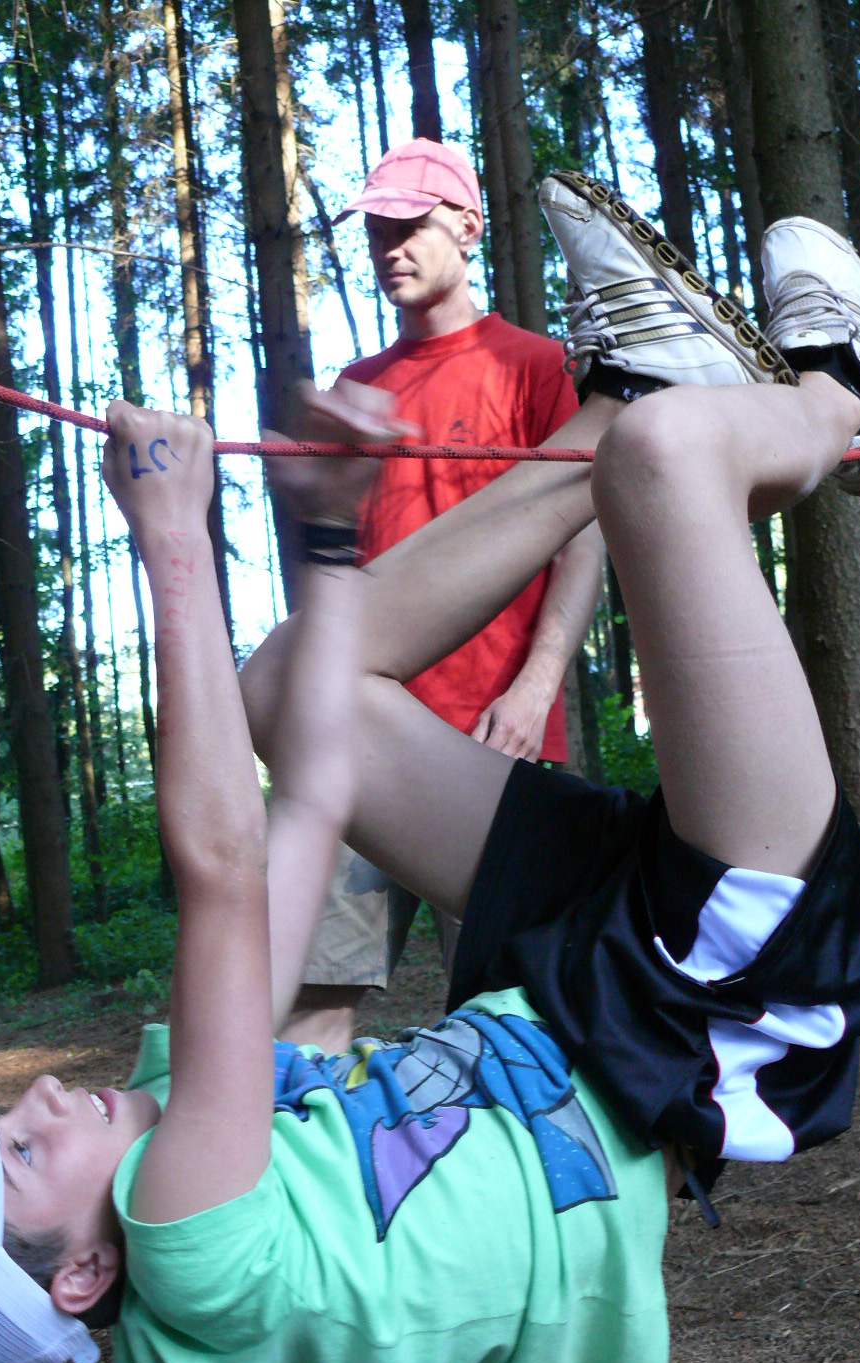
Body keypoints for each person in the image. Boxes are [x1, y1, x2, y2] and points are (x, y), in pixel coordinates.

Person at [0, 181, 860, 1363]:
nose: (45, 1093)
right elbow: (223, 868)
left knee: (290, 685)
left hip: (564, 970)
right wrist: (172, 540)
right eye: (18, 1149)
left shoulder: (178, 1127)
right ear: (81, 1276)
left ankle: (625, 395)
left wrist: (334, 534)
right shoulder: (190, 1245)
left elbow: (312, 799)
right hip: (703, 1000)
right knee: (668, 466)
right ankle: (845, 392)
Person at [290, 139, 605, 1053]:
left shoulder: (538, 366)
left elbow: (581, 534)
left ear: (467, 227)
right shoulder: (357, 391)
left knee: (511, 1006)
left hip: (493, 738)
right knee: (315, 999)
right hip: (359, 739)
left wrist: (537, 688)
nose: (389, 246)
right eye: (376, 230)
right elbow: (333, 570)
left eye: (411, 225)